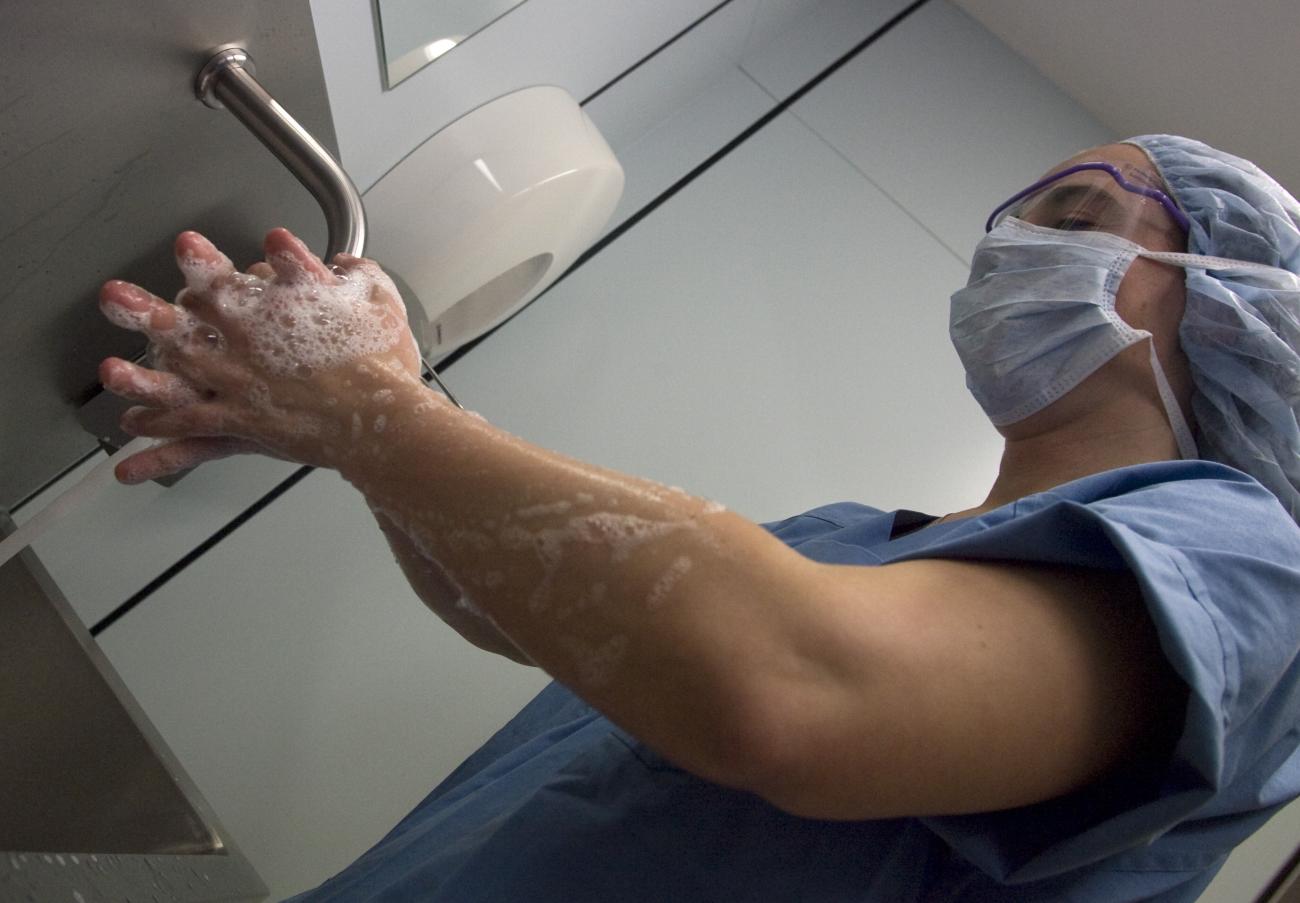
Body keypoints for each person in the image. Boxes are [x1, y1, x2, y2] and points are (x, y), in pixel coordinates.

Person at [97, 134, 1300, 902]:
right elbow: (525, 617)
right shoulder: (858, 545)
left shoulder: (1249, 567)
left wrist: (363, 410)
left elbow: (785, 695)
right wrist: (376, 423)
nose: (1012, 248)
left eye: (1080, 217)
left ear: (1230, 310)